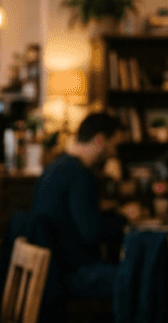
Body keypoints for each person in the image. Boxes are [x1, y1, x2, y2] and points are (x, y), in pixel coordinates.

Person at [30, 113, 140, 299]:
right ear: (100, 140)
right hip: (74, 274)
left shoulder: (56, 167)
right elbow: (92, 233)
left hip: (53, 270)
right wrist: (125, 218)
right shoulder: (80, 174)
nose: (114, 153)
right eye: (113, 145)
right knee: (146, 280)